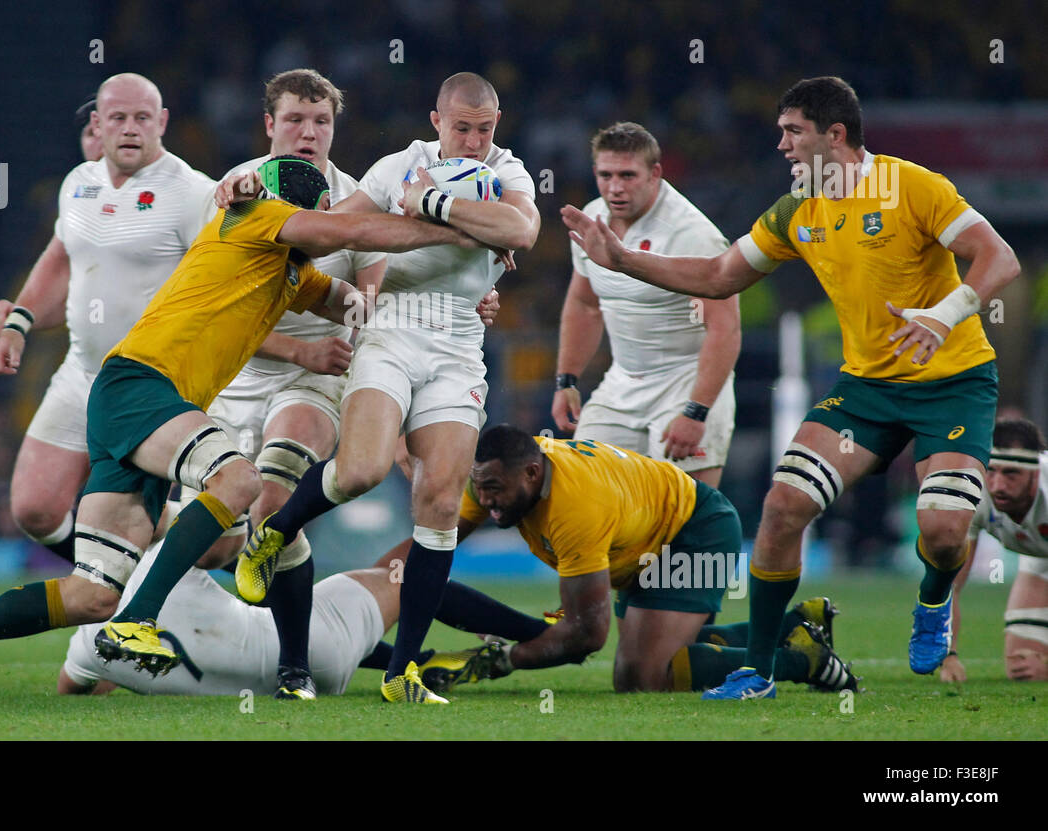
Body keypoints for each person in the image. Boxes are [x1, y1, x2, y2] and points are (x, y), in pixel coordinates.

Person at [0, 155, 490, 702]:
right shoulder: (252, 220)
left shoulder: (290, 276)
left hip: (132, 409)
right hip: (140, 387)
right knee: (240, 479)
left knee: (92, 593)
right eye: (319, 210)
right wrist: (455, 226)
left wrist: (468, 289)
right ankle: (137, 623)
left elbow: (360, 303)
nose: (327, 220)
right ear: (295, 210)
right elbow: (351, 229)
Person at [563, 75, 1021, 699]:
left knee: (942, 532)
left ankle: (934, 599)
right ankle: (758, 670)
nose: (780, 144)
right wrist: (624, 260)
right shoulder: (797, 206)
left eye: (792, 131)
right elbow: (721, 275)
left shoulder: (910, 185)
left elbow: (999, 257)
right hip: (868, 388)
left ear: (835, 135)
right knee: (782, 509)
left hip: (954, 382)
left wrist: (944, 316)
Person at [234, 72, 540, 703]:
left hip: (459, 343)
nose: (475, 140)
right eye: (462, 127)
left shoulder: (510, 171)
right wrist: (247, 198)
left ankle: (402, 673)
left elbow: (522, 231)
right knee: (363, 470)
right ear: (436, 120)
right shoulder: (397, 166)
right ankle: (273, 531)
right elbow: (331, 231)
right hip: (393, 327)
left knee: (440, 503)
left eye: (485, 128)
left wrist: (433, 206)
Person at [407, 424, 856, 695]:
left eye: (494, 490)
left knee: (643, 675)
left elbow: (586, 636)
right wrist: (384, 580)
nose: (486, 502)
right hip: (642, 542)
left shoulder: (573, 508)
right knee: (659, 656)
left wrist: (494, 661)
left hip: (693, 530)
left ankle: (805, 660)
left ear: (531, 472)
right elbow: (436, 541)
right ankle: (791, 626)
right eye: (479, 488)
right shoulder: (494, 477)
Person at [0, 75, 216, 562]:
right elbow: (61, 259)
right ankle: (135, 563)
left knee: (129, 520)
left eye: (142, 119)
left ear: (162, 123)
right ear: (98, 124)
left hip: (153, 387)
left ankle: (126, 579)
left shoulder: (195, 193)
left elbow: (224, 286)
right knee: (35, 509)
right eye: (118, 118)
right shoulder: (78, 184)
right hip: (82, 374)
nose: (130, 129)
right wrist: (18, 322)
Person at [58, 531, 556, 698]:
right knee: (402, 578)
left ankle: (421, 660)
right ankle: (544, 633)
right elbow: (240, 554)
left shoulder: (84, 650)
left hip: (311, 668)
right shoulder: (158, 558)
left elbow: (74, 688)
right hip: (317, 647)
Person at [553, 122, 739, 488]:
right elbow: (584, 303)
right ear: (594, 173)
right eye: (606, 175)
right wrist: (567, 380)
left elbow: (724, 327)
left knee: (687, 519)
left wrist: (696, 412)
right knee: (587, 492)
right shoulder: (591, 218)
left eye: (627, 175)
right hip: (622, 385)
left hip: (686, 383)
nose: (615, 187)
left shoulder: (692, 233)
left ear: (655, 173)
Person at [942, 417, 1048, 683]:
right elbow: (948, 585)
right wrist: (948, 655)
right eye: (991, 471)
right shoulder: (973, 495)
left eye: (1011, 474)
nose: (998, 486)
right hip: (1038, 561)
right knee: (1025, 670)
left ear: (1035, 472)